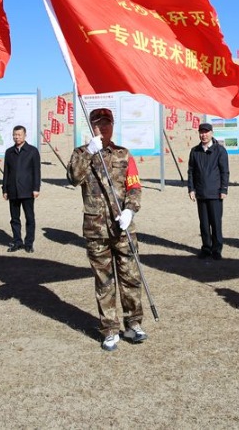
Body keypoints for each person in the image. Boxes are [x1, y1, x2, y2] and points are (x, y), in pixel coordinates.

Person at [67, 108, 147, 351]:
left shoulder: (123, 154)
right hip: (96, 229)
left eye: (106, 123)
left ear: (113, 126)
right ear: (91, 127)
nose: (102, 128)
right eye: (97, 124)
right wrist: (89, 153)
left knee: (131, 277)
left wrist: (130, 210)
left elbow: (134, 186)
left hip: (123, 228)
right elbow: (73, 178)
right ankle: (110, 329)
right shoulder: (81, 153)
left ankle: (133, 324)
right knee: (104, 282)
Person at [187, 122, 230, 260]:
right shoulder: (195, 151)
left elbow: (224, 171)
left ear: (211, 133)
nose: (203, 135)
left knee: (216, 223)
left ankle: (216, 249)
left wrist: (224, 189)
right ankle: (206, 248)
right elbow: (191, 171)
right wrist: (191, 189)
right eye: (201, 132)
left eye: (206, 132)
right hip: (200, 193)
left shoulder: (220, 150)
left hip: (215, 193)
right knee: (204, 223)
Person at [2, 125, 41, 253]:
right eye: (15, 135)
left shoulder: (32, 151)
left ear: (25, 135)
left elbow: (36, 171)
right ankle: (17, 242)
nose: (17, 137)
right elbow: (6, 172)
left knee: (29, 218)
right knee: (14, 219)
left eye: (19, 135)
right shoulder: (9, 152)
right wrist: (5, 189)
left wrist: (36, 188)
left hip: (28, 190)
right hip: (13, 190)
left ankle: (29, 243)